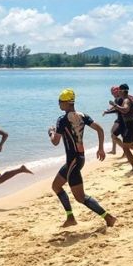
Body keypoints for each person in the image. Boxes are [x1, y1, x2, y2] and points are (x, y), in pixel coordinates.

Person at [49, 89, 116, 227]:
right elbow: (100, 129)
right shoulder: (83, 116)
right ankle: (70, 218)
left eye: (60, 102)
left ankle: (108, 217)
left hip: (73, 161)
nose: (59, 104)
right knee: (56, 186)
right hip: (79, 158)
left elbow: (55, 142)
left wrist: (51, 132)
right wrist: (101, 148)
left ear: (67, 103)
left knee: (80, 197)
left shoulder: (62, 120)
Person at [108, 83, 133, 171]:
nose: (117, 92)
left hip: (129, 126)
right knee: (132, 145)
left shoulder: (126, 100)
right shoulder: (129, 99)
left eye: (118, 90)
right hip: (131, 125)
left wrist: (115, 105)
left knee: (126, 147)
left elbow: (125, 110)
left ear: (122, 91)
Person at [102, 86, 124, 155]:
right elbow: (115, 106)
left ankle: (125, 150)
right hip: (120, 119)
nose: (112, 94)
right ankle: (114, 150)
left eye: (113, 93)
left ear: (117, 92)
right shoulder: (117, 99)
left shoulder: (120, 99)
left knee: (114, 134)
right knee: (113, 132)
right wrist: (109, 109)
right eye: (111, 93)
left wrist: (107, 112)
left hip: (123, 119)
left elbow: (117, 109)